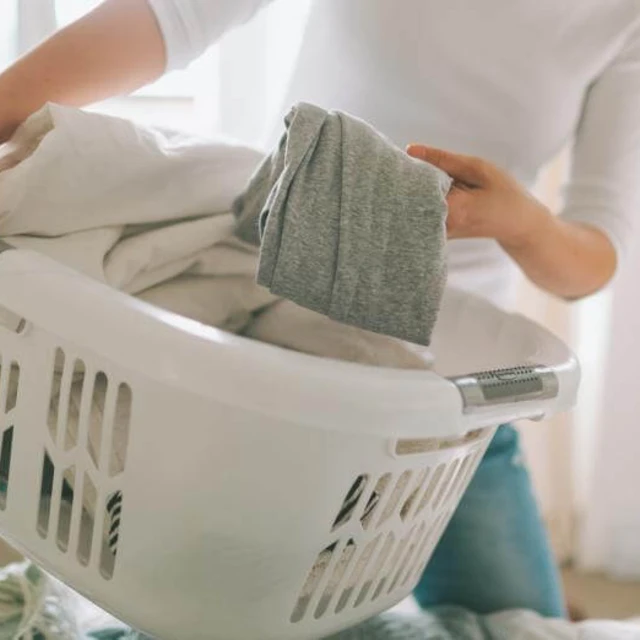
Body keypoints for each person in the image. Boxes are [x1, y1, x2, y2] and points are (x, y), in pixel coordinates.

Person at [1, 0, 637, 620]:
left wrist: (522, 224)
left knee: (529, 622)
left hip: (452, 401)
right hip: (270, 339)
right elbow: (175, 15)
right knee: (223, 595)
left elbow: (593, 256)